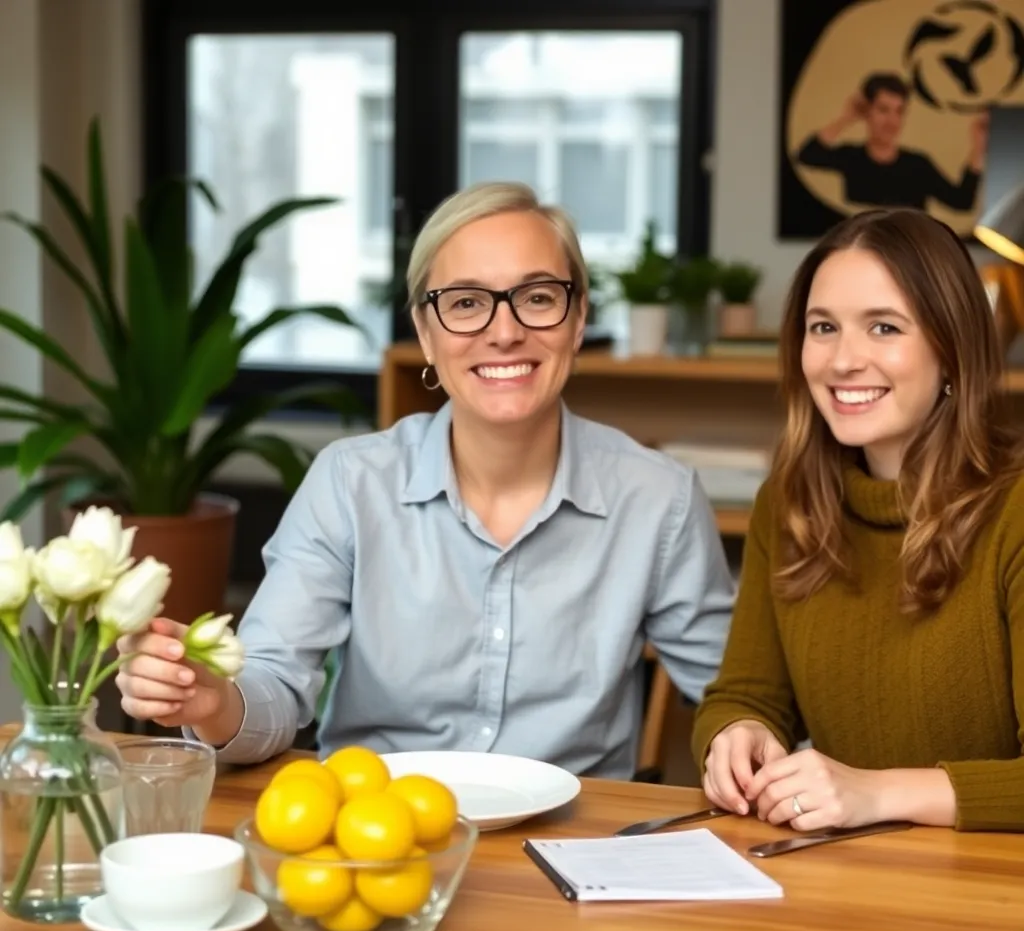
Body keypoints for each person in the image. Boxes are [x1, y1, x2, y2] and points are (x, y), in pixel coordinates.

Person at [115, 181, 735, 777]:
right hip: (376, 835)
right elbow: (274, 682)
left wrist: (755, 744)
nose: (504, 330)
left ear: (578, 321)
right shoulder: (351, 484)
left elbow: (736, 698)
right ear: (426, 332)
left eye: (538, 297)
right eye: (466, 303)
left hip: (571, 848)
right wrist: (213, 702)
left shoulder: (660, 499)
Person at [691, 207, 1024, 833]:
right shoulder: (786, 504)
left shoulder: (1016, 512)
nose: (843, 360)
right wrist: (737, 736)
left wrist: (874, 794)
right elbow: (746, 693)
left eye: (884, 328)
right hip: (844, 881)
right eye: (823, 327)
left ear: (952, 350)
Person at [794, 72, 987, 212]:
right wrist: (847, 118)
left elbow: (962, 201)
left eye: (899, 111)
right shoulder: (851, 158)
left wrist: (978, 146)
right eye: (883, 110)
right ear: (867, 111)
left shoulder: (917, 165)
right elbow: (807, 155)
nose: (892, 122)